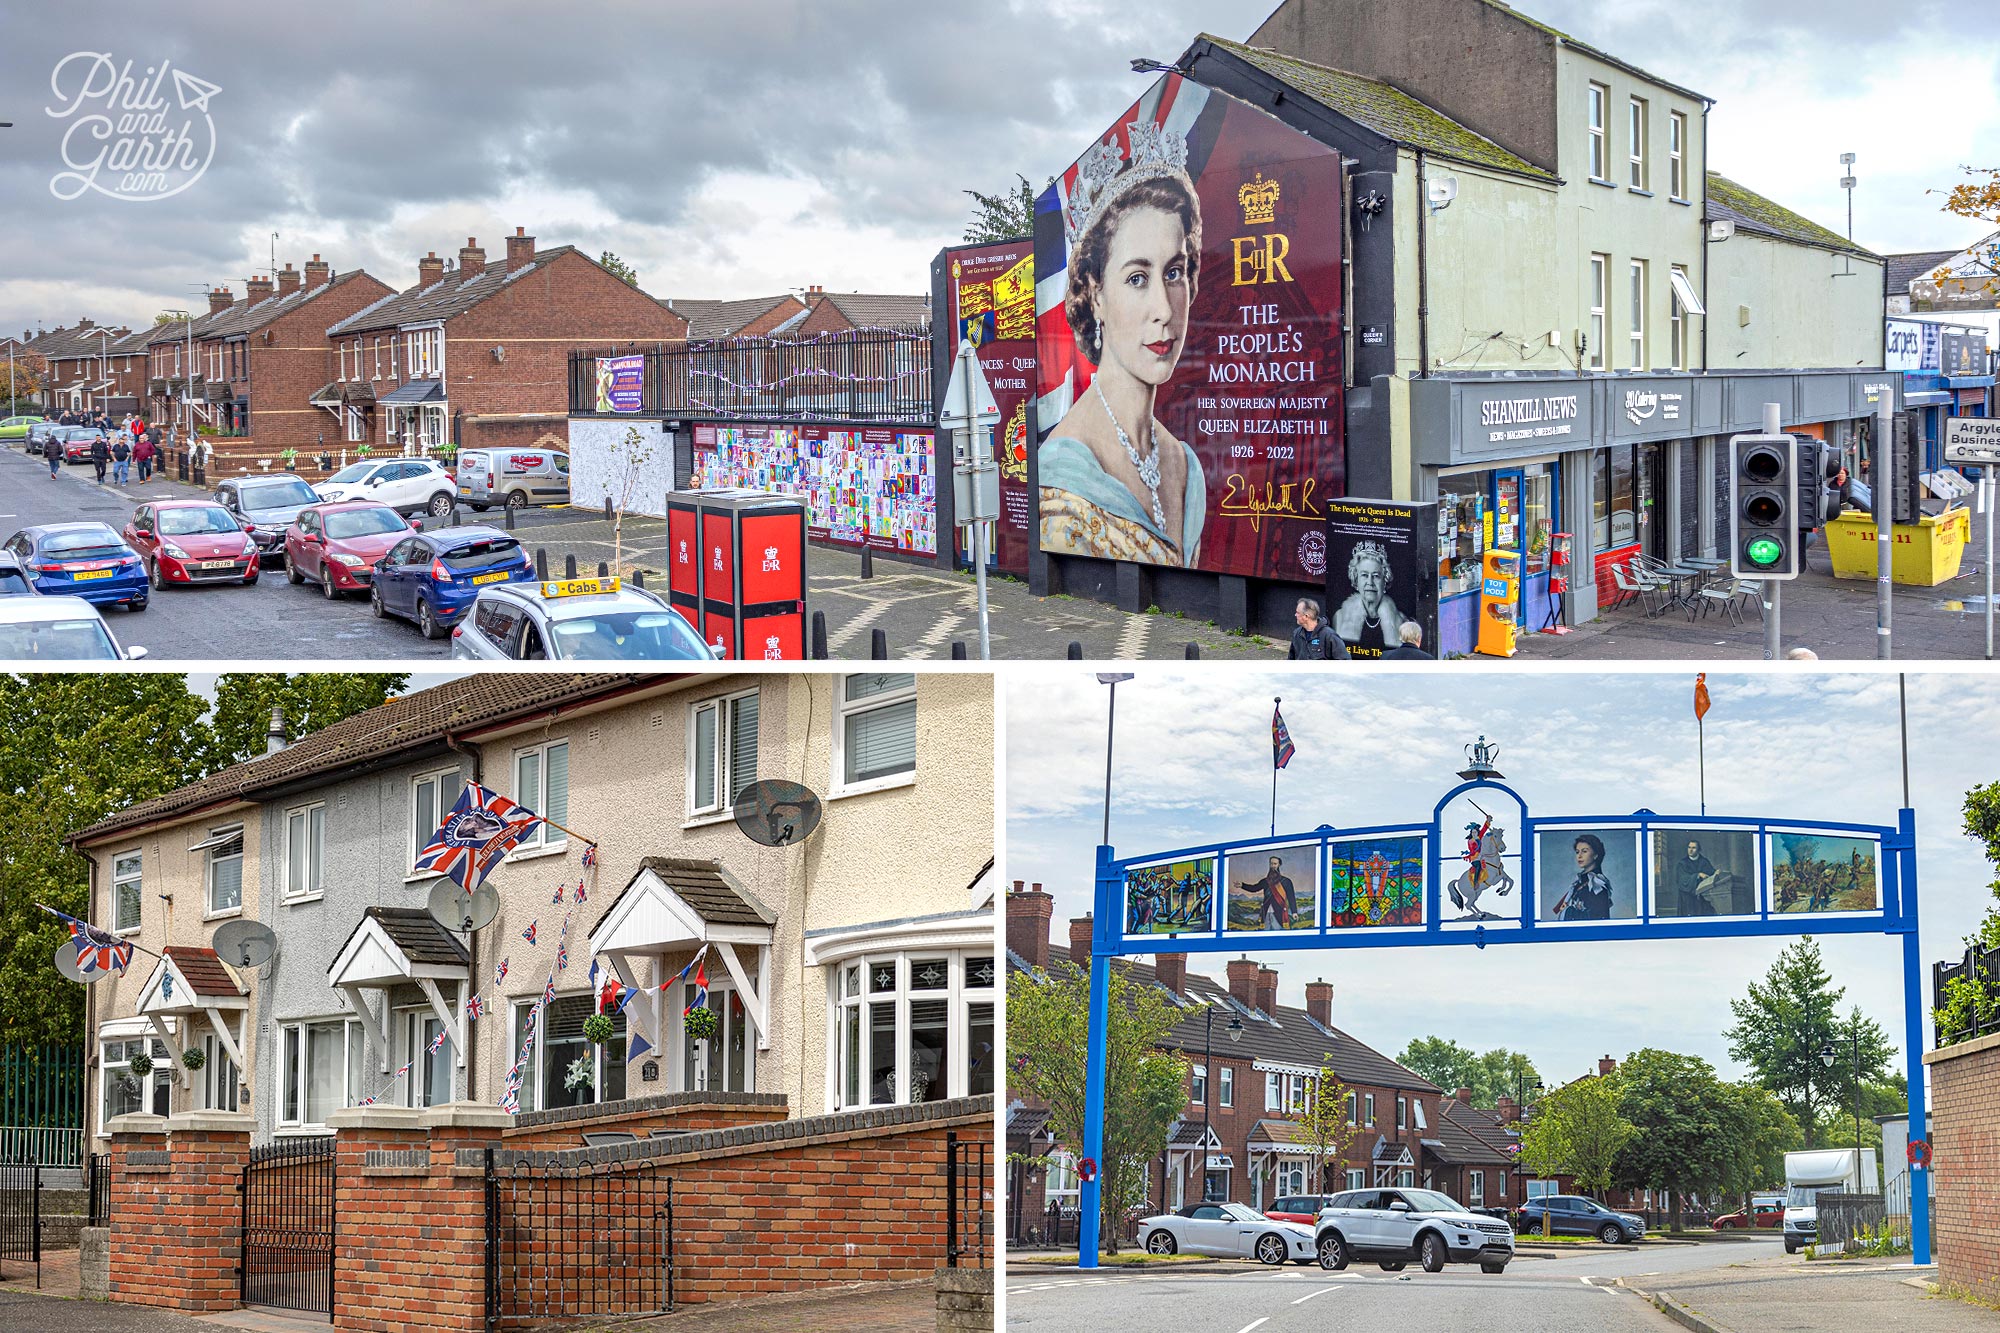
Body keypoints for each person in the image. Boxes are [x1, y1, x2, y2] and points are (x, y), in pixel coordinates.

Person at [1039, 126, 1206, 568]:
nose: (1163, 310)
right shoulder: (1063, 475)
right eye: (1137, 278)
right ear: (1095, 294)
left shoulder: (1183, 464)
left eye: (1174, 273)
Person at [1332, 541, 1404, 653]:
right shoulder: (1340, 617)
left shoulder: (1401, 623)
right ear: (1356, 580)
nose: (1370, 582)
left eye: (1376, 576)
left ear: (1384, 581)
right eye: (1364, 575)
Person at [1555, 834, 1613, 920]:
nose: (1579, 856)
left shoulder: (1597, 884)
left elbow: (1597, 919)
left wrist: (1567, 910)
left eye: (1584, 851)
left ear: (1595, 855)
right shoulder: (1579, 882)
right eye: (1577, 852)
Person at [1237, 855, 1296, 929]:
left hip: (1279, 913)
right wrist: (1242, 885)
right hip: (1266, 913)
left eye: (1275, 864)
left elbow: (1291, 897)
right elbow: (1254, 888)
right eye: (1271, 864)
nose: (1273, 866)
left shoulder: (1286, 881)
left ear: (1279, 865)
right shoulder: (1265, 881)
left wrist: (1294, 912)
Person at [1670, 838, 1720, 917]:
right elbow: (1682, 880)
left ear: (1699, 850)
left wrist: (1716, 872)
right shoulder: (1682, 863)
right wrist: (1698, 875)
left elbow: (1711, 873)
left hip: (1702, 897)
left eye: (1693, 848)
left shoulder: (1704, 861)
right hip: (1687, 898)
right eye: (1689, 847)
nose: (1690, 850)